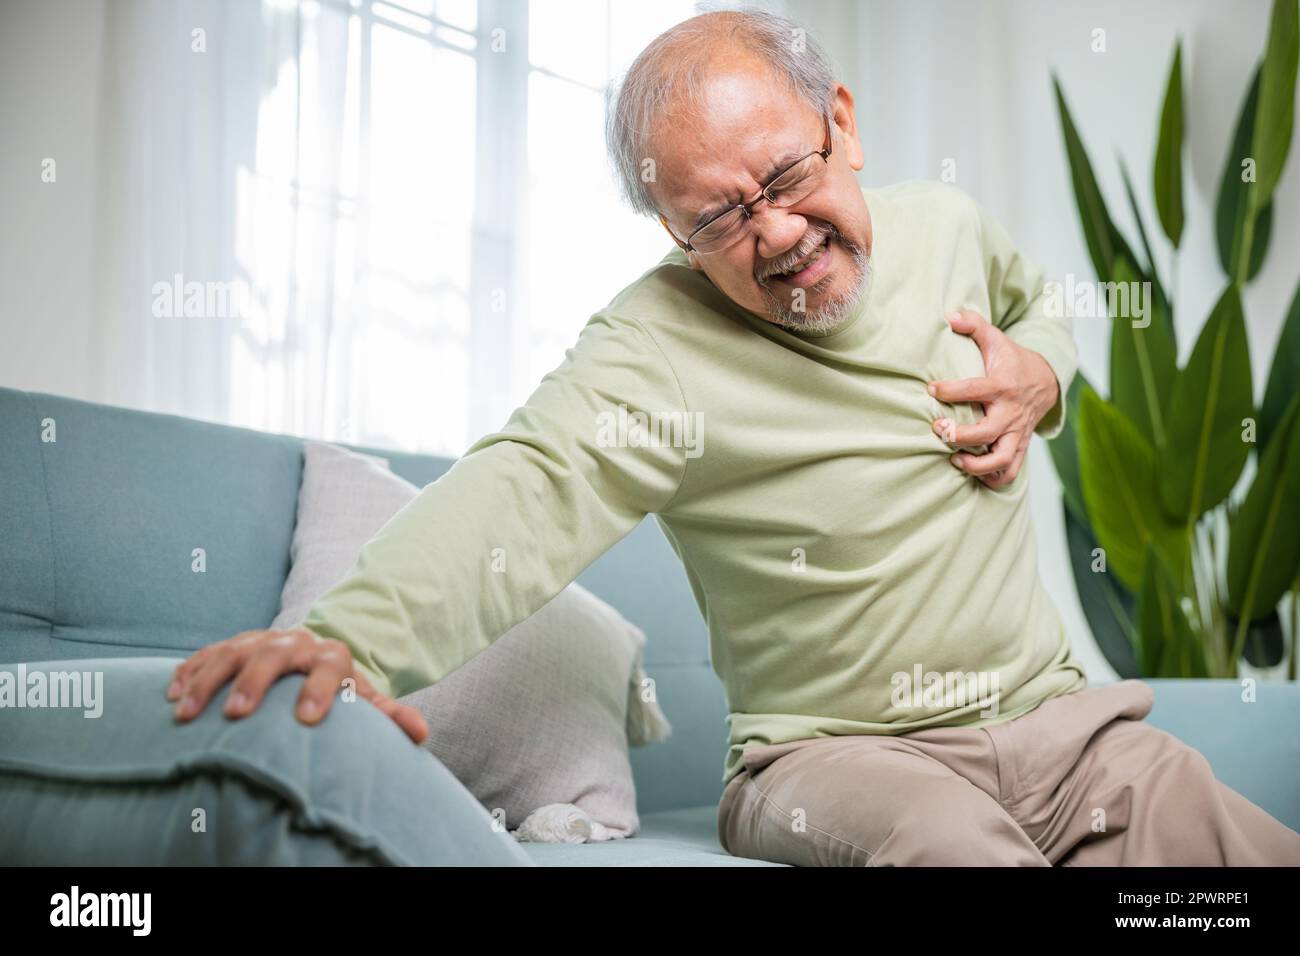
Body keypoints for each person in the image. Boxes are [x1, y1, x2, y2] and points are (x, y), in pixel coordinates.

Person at [166, 9, 1300, 865]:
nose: (776, 233)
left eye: (785, 174)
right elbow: (526, 485)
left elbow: (1033, 301)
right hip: (832, 759)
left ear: (841, 124)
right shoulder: (656, 343)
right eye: (716, 217)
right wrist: (347, 642)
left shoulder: (946, 227)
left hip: (1066, 729)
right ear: (671, 230)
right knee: (959, 850)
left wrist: (1041, 372)